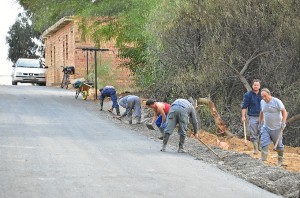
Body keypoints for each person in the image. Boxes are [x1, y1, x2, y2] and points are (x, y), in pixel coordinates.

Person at [259, 88, 287, 167]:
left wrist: (283, 123)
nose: (264, 98)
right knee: (263, 142)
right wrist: (260, 121)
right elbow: (261, 112)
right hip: (266, 127)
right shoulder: (262, 102)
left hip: (277, 128)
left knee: (279, 145)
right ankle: (263, 160)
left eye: (265, 96)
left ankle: (280, 161)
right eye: (262, 97)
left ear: (269, 94)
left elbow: (284, 111)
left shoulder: (276, 101)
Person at [241, 79, 262, 154]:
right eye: (255, 85)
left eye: (257, 85)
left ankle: (260, 147)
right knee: (253, 132)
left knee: (262, 131)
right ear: (252, 85)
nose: (256, 86)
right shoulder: (248, 95)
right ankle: (255, 148)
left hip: (262, 117)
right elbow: (244, 106)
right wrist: (243, 116)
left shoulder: (262, 94)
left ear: (259, 86)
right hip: (252, 116)